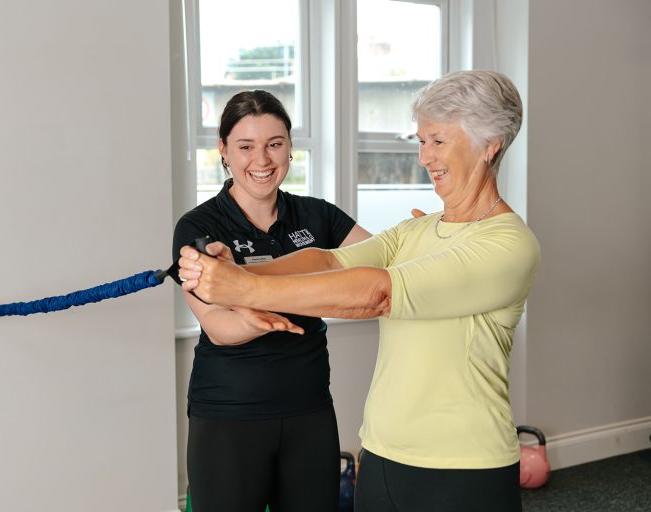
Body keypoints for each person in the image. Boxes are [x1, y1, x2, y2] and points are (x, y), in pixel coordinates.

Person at [178, 70, 540, 512]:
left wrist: (243, 285)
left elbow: (377, 294)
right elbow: (328, 260)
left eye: (438, 141)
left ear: (490, 144)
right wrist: (244, 273)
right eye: (421, 141)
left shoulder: (508, 244)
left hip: (462, 462)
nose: (425, 158)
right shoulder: (416, 229)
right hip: (385, 454)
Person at [173, 89, 371, 512]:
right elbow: (220, 328)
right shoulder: (199, 226)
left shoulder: (320, 217)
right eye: (246, 146)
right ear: (223, 151)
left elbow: (379, 268)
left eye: (274, 144)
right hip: (228, 417)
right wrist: (264, 315)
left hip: (310, 411)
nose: (261, 161)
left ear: (289, 149)